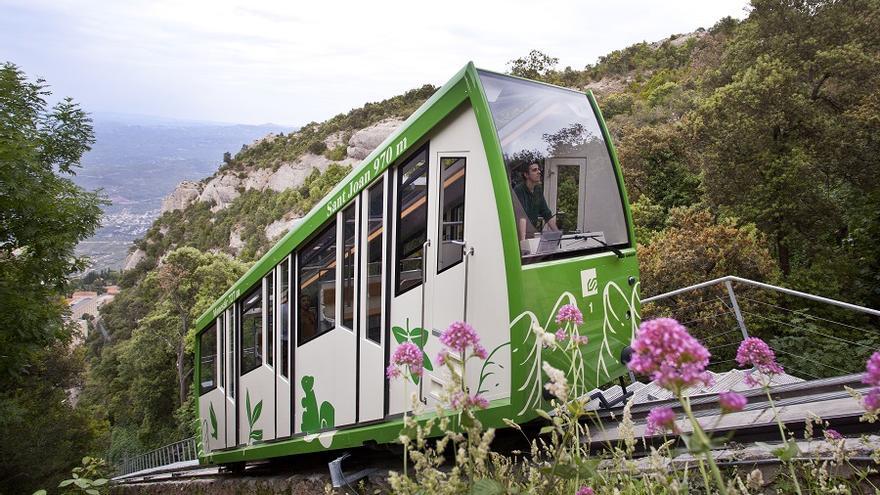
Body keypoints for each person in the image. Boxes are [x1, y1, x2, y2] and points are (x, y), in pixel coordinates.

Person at [513, 162, 558, 241]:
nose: (539, 172)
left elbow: (546, 213)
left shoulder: (538, 190)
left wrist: (557, 234)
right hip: (518, 236)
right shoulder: (519, 190)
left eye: (539, 169)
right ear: (526, 175)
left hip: (531, 235)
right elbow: (522, 217)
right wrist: (523, 243)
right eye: (534, 170)